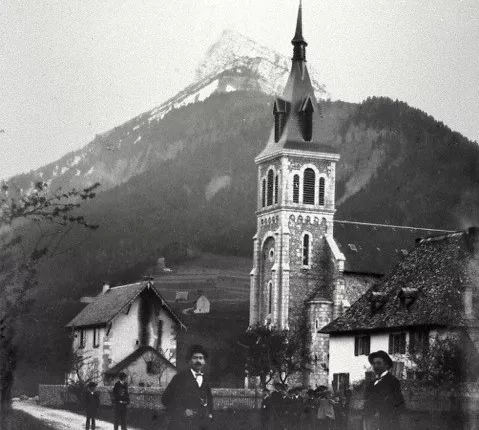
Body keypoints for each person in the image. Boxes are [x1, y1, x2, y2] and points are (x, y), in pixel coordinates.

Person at [161, 344, 213, 430]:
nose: (198, 361)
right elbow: (165, 399)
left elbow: (209, 399)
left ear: (204, 362)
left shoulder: (205, 380)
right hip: (181, 425)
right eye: (195, 358)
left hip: (200, 425)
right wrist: (183, 410)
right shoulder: (179, 378)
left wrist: (210, 414)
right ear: (189, 361)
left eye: (201, 358)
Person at [363, 350, 404, 430]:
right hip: (371, 423)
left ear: (386, 365)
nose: (375, 366)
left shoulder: (393, 381)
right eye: (374, 363)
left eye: (378, 363)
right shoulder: (371, 383)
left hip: (387, 423)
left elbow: (398, 404)